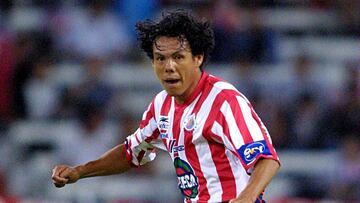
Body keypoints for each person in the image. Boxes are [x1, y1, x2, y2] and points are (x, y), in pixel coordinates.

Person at [52, 10, 280, 203]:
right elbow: (131, 153)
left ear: (198, 57)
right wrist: (79, 171)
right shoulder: (161, 105)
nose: (169, 66)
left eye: (178, 57)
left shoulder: (224, 101)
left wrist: (245, 198)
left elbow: (267, 159)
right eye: (160, 58)